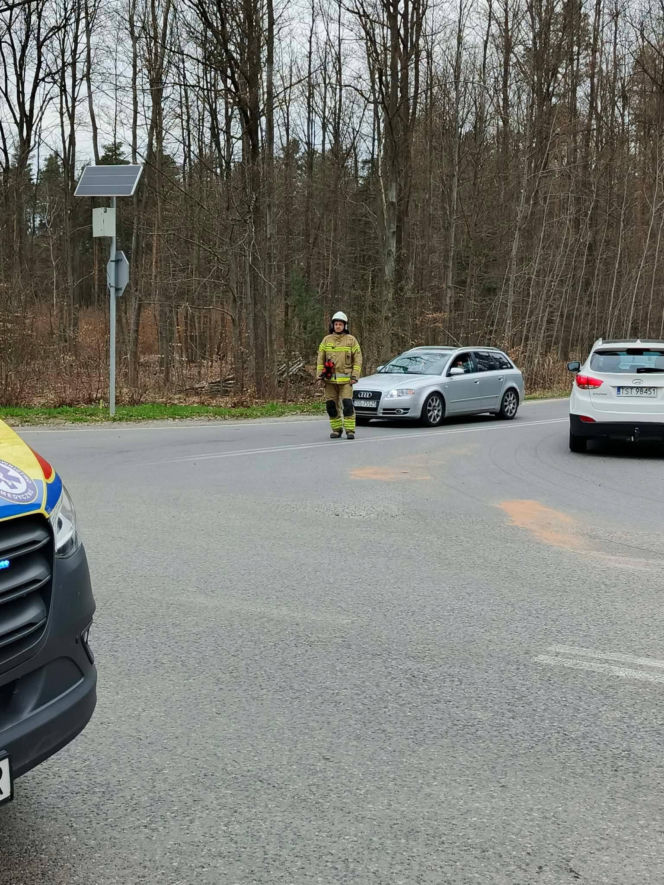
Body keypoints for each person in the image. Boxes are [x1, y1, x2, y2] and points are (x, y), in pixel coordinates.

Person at [316, 311, 362, 439]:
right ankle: (336, 429)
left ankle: (350, 430)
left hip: (347, 380)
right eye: (336, 324)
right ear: (333, 325)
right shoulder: (326, 340)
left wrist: (355, 376)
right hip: (329, 380)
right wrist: (319, 376)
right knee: (331, 406)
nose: (338, 326)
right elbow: (320, 359)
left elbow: (358, 359)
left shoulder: (351, 340)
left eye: (340, 324)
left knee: (347, 405)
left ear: (345, 326)